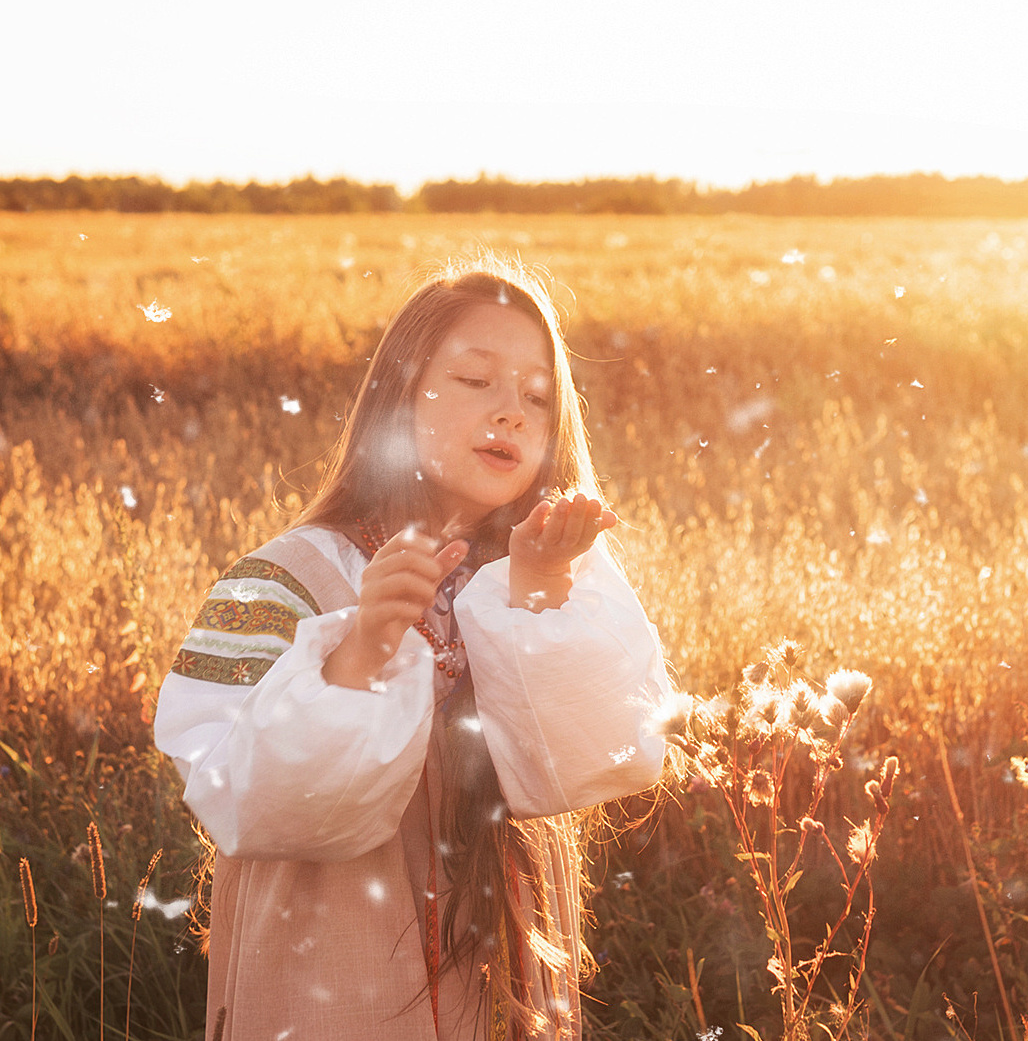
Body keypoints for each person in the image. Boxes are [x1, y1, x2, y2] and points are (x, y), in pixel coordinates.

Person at [154, 255, 668, 1041]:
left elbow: (600, 755)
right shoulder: (290, 576)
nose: (513, 411)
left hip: (498, 960)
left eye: (538, 396)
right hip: (331, 966)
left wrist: (534, 594)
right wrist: (358, 656)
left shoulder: (543, 570)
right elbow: (235, 793)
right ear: (400, 391)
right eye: (475, 380)